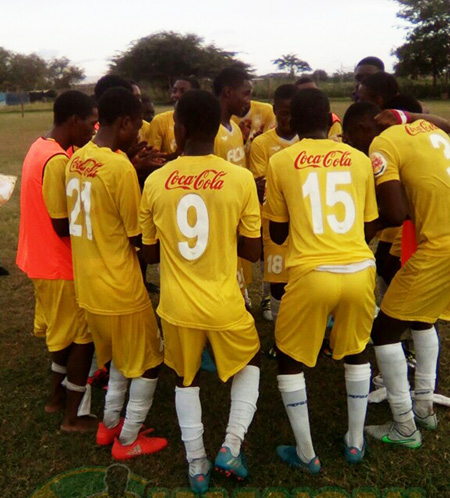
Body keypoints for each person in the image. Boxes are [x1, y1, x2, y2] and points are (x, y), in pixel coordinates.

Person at [140, 90, 261, 493]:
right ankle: (231, 444)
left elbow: (151, 251)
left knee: (185, 378)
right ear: (215, 128)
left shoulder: (155, 180)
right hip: (225, 301)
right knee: (250, 363)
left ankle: (196, 463)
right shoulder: (240, 178)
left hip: (175, 306)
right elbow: (252, 250)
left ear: (181, 127)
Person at [264, 88, 378, 470]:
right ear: (333, 119)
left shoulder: (281, 161)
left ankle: (307, 452)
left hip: (312, 272)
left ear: (292, 121)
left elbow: (278, 235)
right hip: (360, 269)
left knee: (290, 356)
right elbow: (367, 224)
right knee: (358, 347)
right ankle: (356, 441)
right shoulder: (358, 161)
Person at [65, 87, 167, 459]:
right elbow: (137, 234)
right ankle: (129, 440)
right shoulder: (119, 166)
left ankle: (108, 426)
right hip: (120, 287)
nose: (139, 134)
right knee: (150, 361)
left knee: (124, 359)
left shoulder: (77, 159)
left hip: (89, 287)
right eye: (137, 126)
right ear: (123, 122)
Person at [342, 101, 450, 447]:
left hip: (441, 247)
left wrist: (358, 233)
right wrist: (412, 116)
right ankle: (423, 406)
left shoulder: (381, 144)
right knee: (422, 317)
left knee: (384, 331)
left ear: (363, 129)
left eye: (351, 139)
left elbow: (396, 210)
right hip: (443, 242)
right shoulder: (426, 128)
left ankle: (405, 425)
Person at [16, 90, 98, 432]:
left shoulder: (40, 147)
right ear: (74, 120)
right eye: (90, 123)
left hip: (37, 260)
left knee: (61, 337)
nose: (93, 130)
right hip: (58, 266)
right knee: (83, 340)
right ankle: (73, 417)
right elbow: (63, 224)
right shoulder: (58, 162)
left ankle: (54, 399)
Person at [249, 84, 299, 322]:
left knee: (300, 274)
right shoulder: (262, 143)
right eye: (283, 112)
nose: (288, 118)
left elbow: (269, 184)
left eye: (293, 112)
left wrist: (277, 184)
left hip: (302, 218)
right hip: (272, 218)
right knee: (278, 276)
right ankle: (279, 319)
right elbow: (260, 186)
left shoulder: (307, 139)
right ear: (275, 111)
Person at [213, 67, 254, 305]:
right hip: (222, 213)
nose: (249, 100)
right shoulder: (212, 133)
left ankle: (241, 293)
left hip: (239, 214)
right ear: (228, 92)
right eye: (245, 93)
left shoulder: (236, 128)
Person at [146, 76, 200, 159]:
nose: (176, 95)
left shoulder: (204, 122)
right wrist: (177, 154)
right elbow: (153, 158)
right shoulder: (159, 121)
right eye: (174, 91)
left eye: (183, 91)